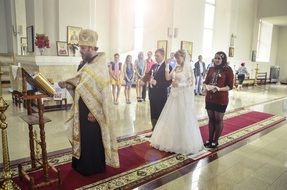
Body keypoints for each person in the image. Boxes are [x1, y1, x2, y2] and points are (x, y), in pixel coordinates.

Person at [58, 29, 119, 176]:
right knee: (82, 137)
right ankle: (80, 164)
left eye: (83, 48)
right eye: (80, 48)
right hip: (81, 107)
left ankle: (93, 167)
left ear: (92, 48)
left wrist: (95, 111)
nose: (80, 51)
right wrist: (67, 84)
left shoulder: (100, 65)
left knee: (91, 138)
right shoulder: (83, 64)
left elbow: (104, 92)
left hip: (93, 111)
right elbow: (79, 83)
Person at [150, 50, 205, 155]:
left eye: (178, 58)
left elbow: (191, 82)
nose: (177, 60)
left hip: (183, 96)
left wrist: (179, 85)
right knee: (172, 117)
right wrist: (166, 66)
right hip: (174, 96)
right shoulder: (176, 67)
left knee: (182, 117)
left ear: (183, 57)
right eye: (175, 58)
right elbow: (168, 77)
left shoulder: (188, 68)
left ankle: (182, 142)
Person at [203, 51, 234, 148]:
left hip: (221, 98)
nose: (216, 60)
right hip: (210, 97)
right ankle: (210, 139)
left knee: (218, 120)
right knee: (211, 119)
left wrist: (219, 89)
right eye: (215, 58)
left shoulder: (228, 70)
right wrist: (205, 87)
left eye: (219, 58)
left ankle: (215, 140)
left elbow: (230, 86)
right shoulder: (211, 68)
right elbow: (206, 81)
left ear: (223, 59)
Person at [147, 48, 172, 134]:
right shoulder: (154, 66)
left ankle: (160, 133)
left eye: (157, 56)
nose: (156, 57)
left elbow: (168, 82)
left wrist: (157, 83)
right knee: (153, 112)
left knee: (160, 113)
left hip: (161, 94)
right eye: (155, 56)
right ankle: (154, 130)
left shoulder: (167, 66)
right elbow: (149, 75)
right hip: (152, 93)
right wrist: (148, 80)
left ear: (163, 56)